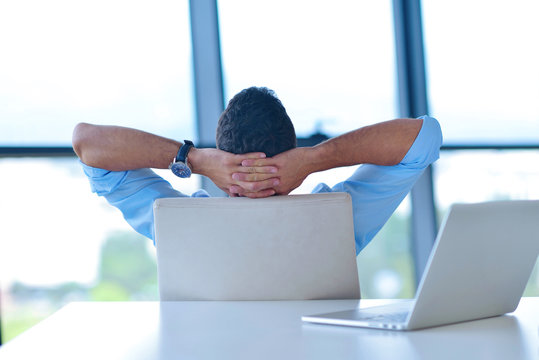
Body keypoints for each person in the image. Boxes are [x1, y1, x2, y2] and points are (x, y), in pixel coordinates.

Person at [72, 86, 442, 254]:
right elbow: (424, 139)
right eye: (241, 182)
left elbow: (88, 145)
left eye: (270, 182)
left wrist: (196, 159)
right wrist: (313, 159)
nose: (255, 194)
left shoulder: (176, 222)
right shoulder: (343, 218)